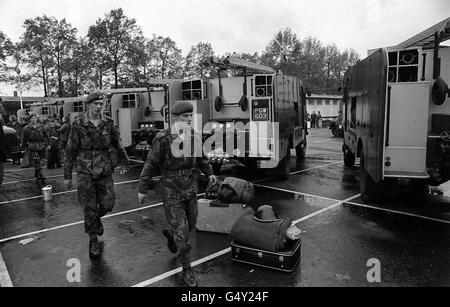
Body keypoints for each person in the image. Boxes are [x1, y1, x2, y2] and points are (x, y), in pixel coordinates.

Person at [137, 101, 217, 287]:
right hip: (171, 190)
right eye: (185, 116)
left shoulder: (194, 136)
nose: (189, 119)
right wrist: (142, 188)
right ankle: (187, 269)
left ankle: (173, 237)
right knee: (182, 232)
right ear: (174, 118)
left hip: (190, 188)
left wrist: (210, 173)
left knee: (190, 224)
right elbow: (150, 163)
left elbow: (202, 159)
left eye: (190, 116)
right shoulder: (163, 138)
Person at [64, 92, 130, 259]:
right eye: (96, 104)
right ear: (88, 105)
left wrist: (124, 161)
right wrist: (67, 175)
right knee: (89, 207)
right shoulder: (78, 123)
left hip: (104, 169)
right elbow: (70, 149)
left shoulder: (108, 123)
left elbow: (118, 143)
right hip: (85, 170)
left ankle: (96, 220)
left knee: (108, 203)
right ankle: (93, 240)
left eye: (101, 103)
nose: (99, 106)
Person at [22, 113, 49, 186]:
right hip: (32, 147)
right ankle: (42, 176)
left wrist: (47, 144)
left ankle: (37, 175)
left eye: (35, 118)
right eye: (32, 118)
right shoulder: (26, 128)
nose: (34, 119)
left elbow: (46, 136)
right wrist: (23, 149)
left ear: (36, 119)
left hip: (41, 146)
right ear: (30, 120)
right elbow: (24, 139)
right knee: (37, 162)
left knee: (40, 162)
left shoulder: (41, 126)